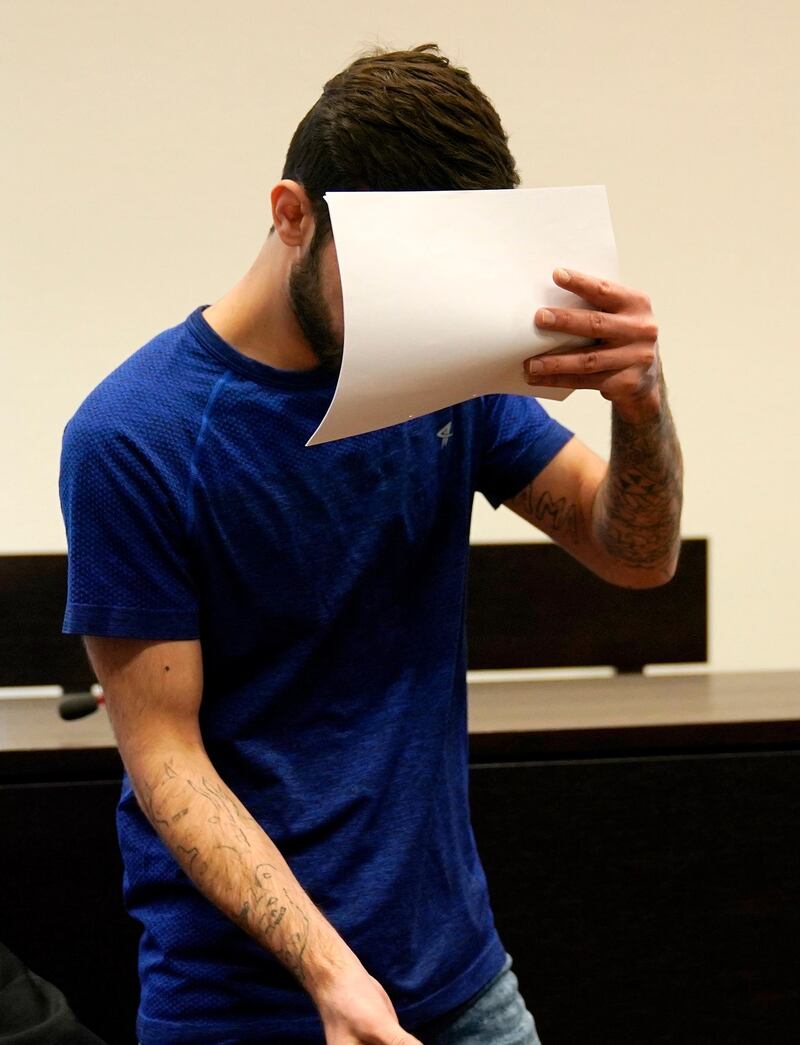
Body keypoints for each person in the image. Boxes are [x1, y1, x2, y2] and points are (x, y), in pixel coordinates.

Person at [58, 44, 683, 1045]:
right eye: (392, 274)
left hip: (460, 976)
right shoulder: (135, 435)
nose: (416, 309)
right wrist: (331, 976)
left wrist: (640, 405)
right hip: (244, 1005)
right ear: (292, 213)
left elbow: (633, 554)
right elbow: (164, 755)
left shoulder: (443, 371)